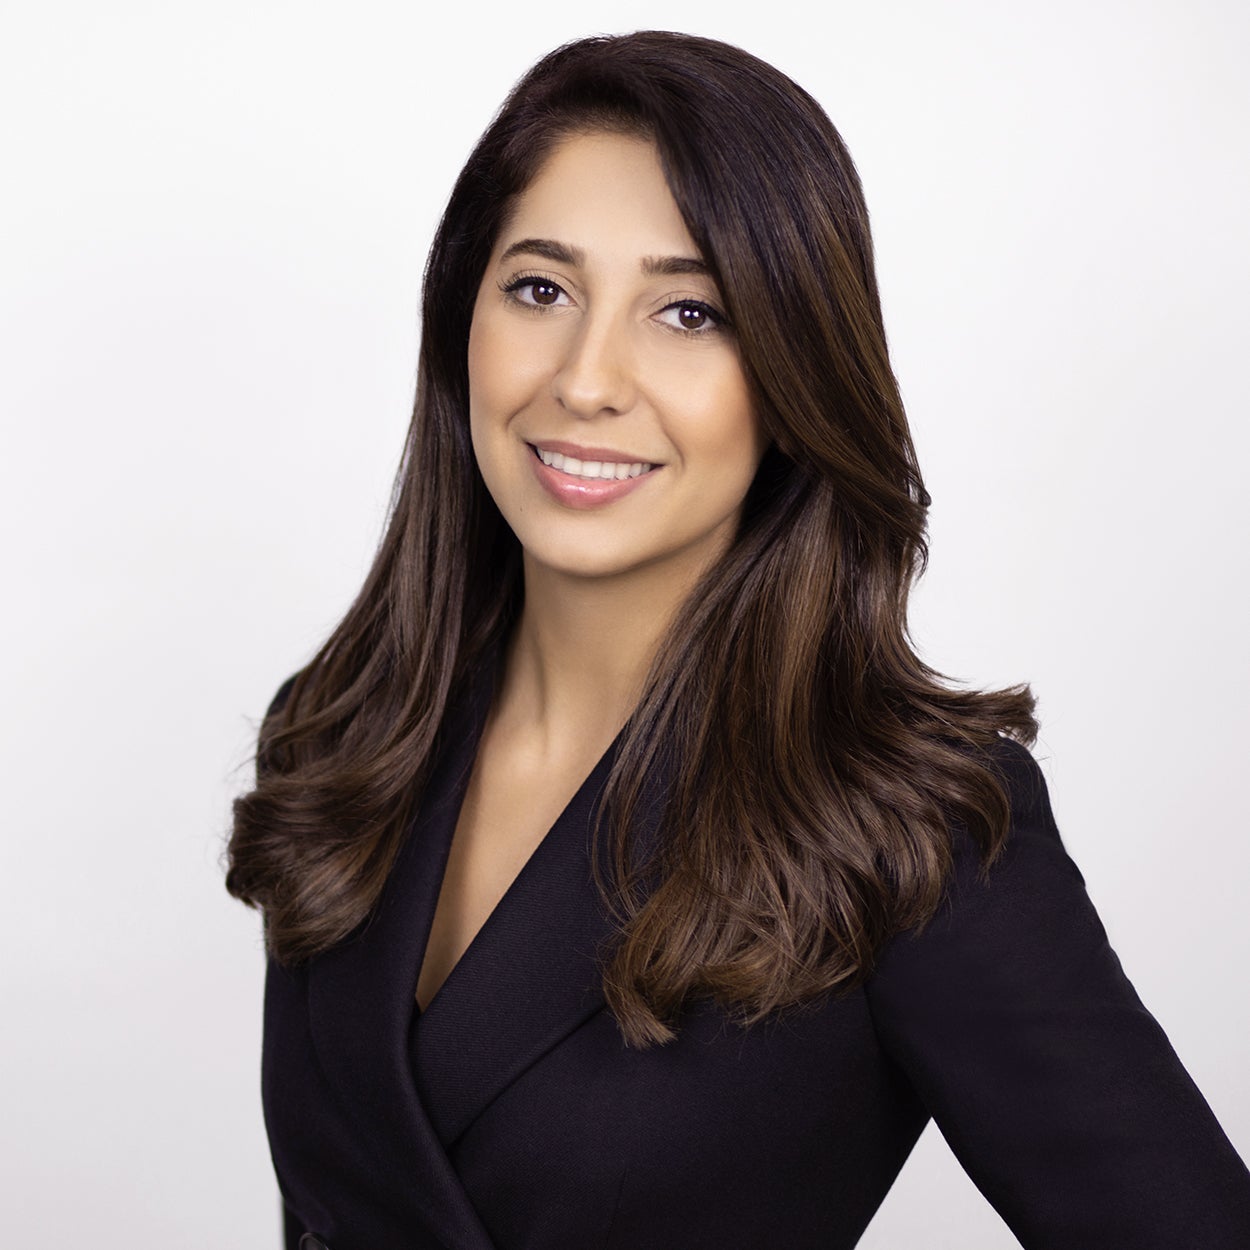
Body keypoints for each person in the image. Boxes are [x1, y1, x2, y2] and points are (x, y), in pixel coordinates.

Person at [226, 30, 1250, 1250]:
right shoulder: (343, 725)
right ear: (460, 316)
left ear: (792, 369)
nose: (586, 379)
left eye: (688, 310)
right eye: (540, 289)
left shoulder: (903, 825)